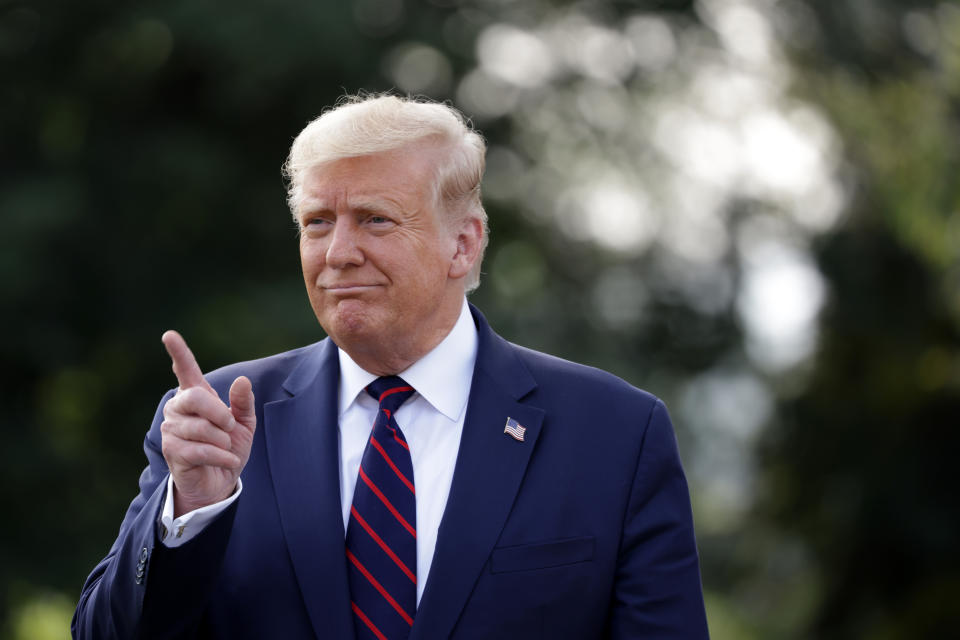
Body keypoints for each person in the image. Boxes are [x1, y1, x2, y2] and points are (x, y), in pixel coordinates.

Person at [72, 94, 710, 639]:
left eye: (374, 219)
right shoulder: (214, 419)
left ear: (463, 243)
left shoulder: (614, 434)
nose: (339, 253)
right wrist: (192, 511)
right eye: (317, 222)